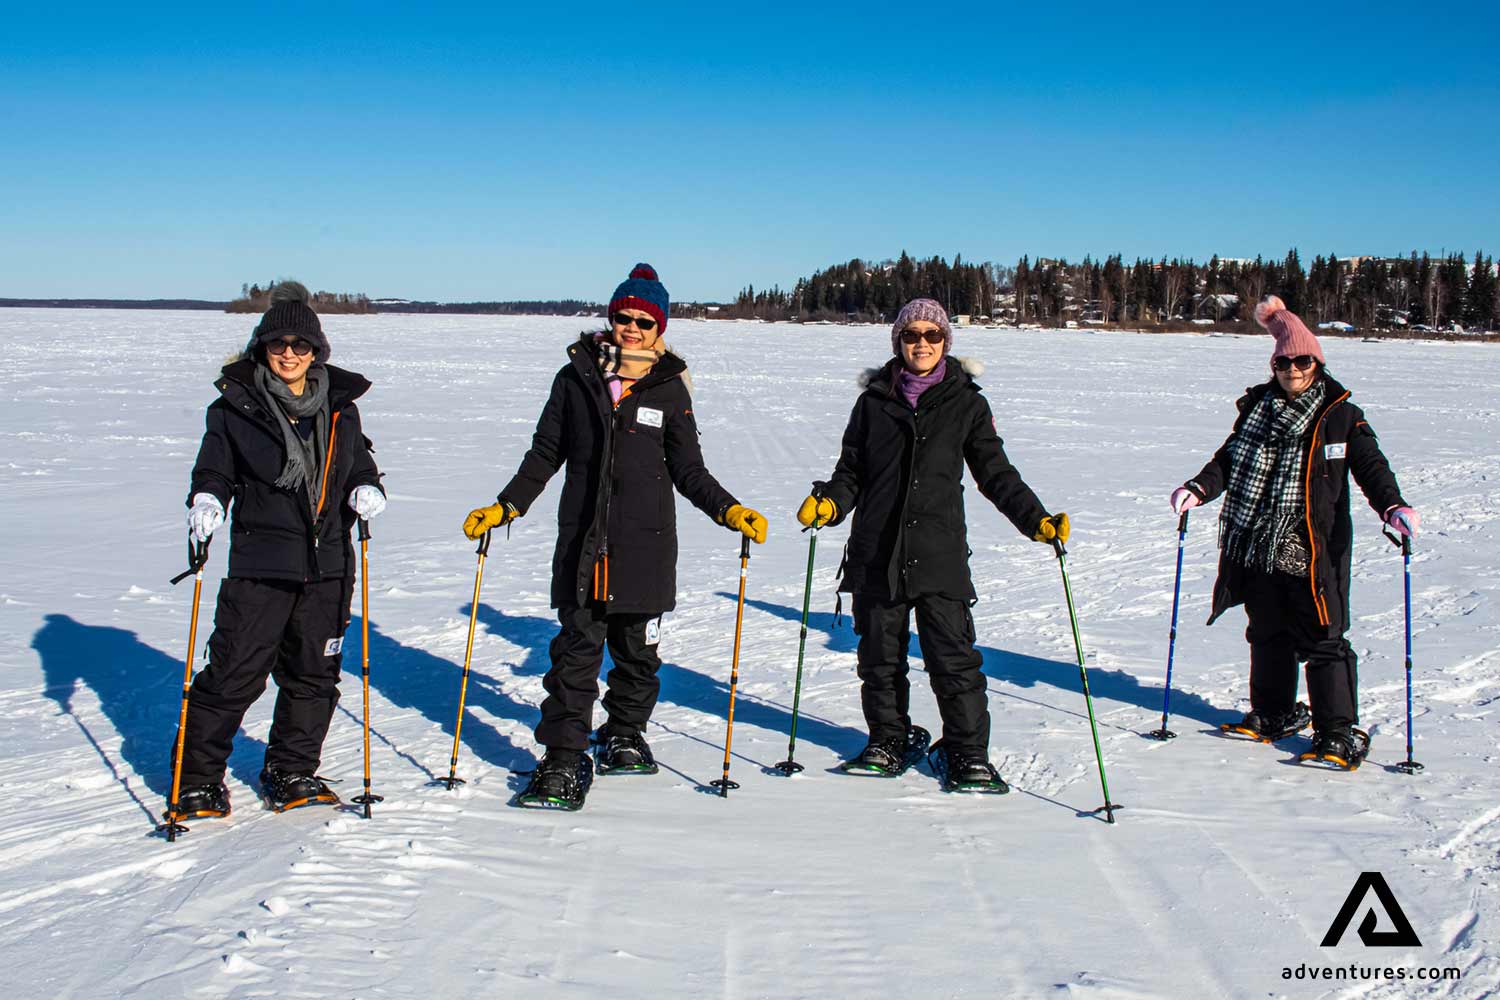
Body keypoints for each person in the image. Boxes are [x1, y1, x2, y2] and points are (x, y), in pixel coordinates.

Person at [464, 263, 766, 810]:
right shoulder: (575, 378)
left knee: (637, 654)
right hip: (585, 543)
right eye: (624, 318)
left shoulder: (670, 387)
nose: (631, 329)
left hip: (646, 546)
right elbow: (544, 455)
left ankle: (624, 732)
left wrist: (730, 510)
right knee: (575, 655)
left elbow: (689, 469)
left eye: (643, 322)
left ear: (660, 329)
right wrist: (505, 506)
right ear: (610, 318)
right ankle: (563, 758)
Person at [799, 298, 1068, 793]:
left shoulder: (966, 403)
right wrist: (831, 505)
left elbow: (996, 473)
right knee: (879, 658)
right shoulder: (873, 402)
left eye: (932, 335)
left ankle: (967, 753)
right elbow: (851, 472)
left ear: (946, 342)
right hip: (877, 552)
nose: (921, 343)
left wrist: (1037, 520)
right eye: (911, 335)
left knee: (953, 658)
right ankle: (888, 739)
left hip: (938, 554)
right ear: (897, 341)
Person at [1171, 295, 1418, 770]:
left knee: (1324, 635)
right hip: (1256, 538)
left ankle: (1337, 732)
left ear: (1317, 362)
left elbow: (1370, 466)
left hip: (1311, 542)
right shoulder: (1257, 408)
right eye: (1283, 362)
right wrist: (1199, 488)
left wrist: (1392, 505)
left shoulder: (1339, 414)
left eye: (1302, 360)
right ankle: (1273, 712)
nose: (1293, 369)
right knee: (1266, 629)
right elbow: (1229, 458)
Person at [171, 281, 386, 817]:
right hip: (262, 564)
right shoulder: (234, 408)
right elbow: (215, 466)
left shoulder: (339, 407)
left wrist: (369, 486)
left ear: (317, 352)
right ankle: (195, 780)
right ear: (262, 348)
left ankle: (291, 770)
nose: (289, 353)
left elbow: (357, 461)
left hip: (329, 563)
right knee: (233, 674)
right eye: (278, 344)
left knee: (315, 676)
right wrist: (207, 498)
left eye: (300, 345)